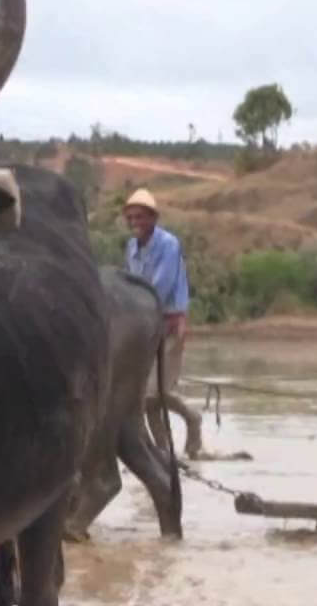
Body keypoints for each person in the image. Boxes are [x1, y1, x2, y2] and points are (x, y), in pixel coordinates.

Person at [123, 188, 204, 459]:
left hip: (169, 324)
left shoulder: (168, 244)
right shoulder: (131, 247)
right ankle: (164, 452)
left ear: (153, 218)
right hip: (146, 327)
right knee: (148, 399)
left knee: (152, 393)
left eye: (141, 217)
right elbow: (131, 283)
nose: (135, 222)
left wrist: (132, 303)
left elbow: (159, 286)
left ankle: (192, 418)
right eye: (131, 217)